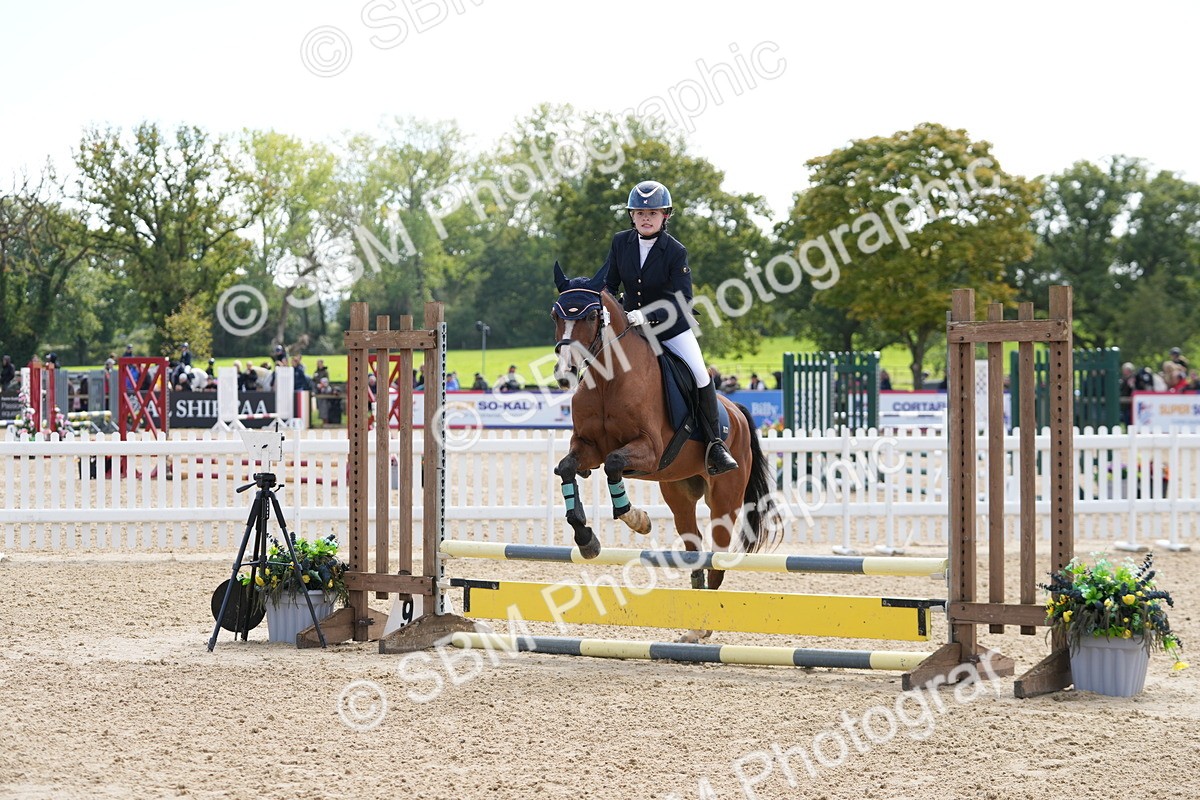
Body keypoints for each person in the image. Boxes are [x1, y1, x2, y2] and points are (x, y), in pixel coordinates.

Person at [601, 179, 737, 475]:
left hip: (671, 328)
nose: (646, 218)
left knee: (700, 374)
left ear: (665, 216)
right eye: (640, 213)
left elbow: (683, 299)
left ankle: (715, 445)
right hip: (630, 329)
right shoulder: (620, 242)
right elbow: (609, 283)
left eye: (653, 213)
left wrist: (646, 316)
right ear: (632, 216)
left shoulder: (675, 251)